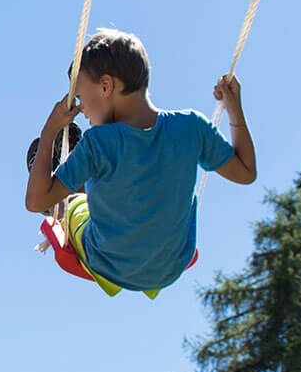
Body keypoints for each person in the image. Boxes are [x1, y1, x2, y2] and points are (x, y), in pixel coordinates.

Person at [23, 28, 255, 298]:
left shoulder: (98, 142)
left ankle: (68, 193)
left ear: (106, 87)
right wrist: (234, 108)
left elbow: (34, 202)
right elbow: (246, 172)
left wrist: (50, 130)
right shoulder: (191, 127)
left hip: (106, 264)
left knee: (75, 205)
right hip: (169, 265)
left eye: (82, 99)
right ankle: (78, 182)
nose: (82, 111)